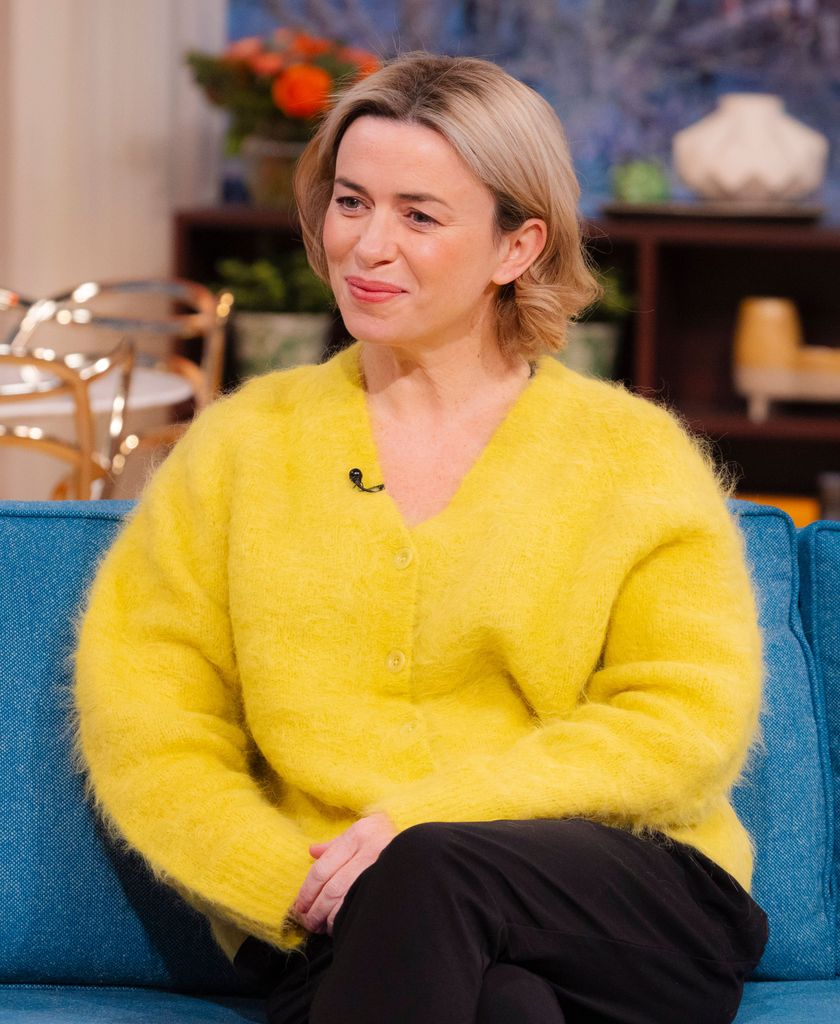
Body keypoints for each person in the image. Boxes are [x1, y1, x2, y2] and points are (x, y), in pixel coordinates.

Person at [75, 52, 768, 1024]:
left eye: (420, 215)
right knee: (506, 1006)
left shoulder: (633, 456)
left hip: (626, 899)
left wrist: (420, 822)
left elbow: (680, 721)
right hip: (340, 916)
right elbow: (148, 722)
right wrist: (289, 881)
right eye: (350, 202)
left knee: (437, 865)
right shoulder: (242, 444)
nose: (367, 245)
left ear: (516, 247)